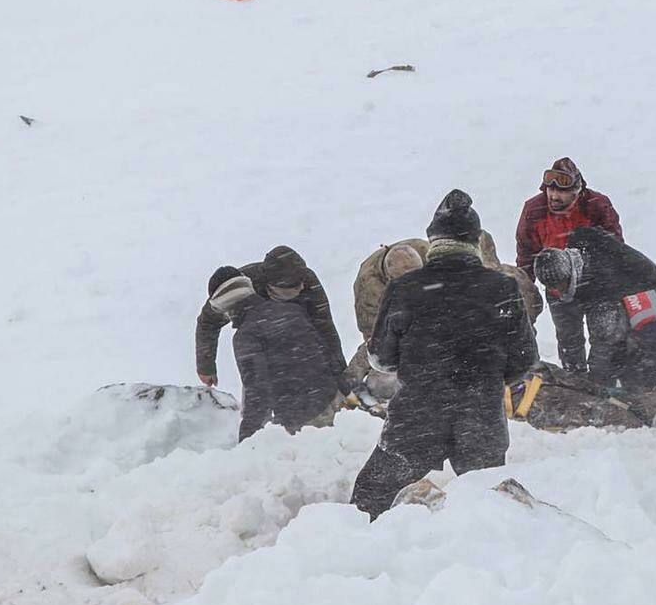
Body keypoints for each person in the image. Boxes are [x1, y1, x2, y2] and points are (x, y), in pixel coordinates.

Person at [350, 190, 538, 519]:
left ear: (433, 241)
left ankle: (360, 549)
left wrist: (421, 365)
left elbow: (380, 358)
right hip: (482, 417)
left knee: (369, 500)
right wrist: (486, 377)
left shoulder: (404, 288)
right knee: (491, 508)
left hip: (418, 416)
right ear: (474, 243)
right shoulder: (502, 287)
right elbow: (524, 358)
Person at [343, 233, 541, 401]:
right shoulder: (369, 291)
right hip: (408, 346)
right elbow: (375, 341)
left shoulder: (424, 252)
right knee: (384, 379)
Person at [204, 267, 344, 440]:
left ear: (223, 305)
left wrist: (247, 440)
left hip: (303, 422)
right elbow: (326, 353)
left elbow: (258, 393)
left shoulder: (246, 336)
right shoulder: (292, 310)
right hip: (333, 402)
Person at [515, 157, 624, 373]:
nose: (554, 196)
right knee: (568, 340)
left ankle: (601, 381)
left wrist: (613, 284)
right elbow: (526, 252)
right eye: (550, 190)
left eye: (561, 192)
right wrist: (526, 287)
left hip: (597, 287)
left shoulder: (596, 206)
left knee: (604, 339)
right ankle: (576, 380)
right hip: (558, 288)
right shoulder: (534, 210)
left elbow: (616, 249)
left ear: (577, 190)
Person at [532, 226, 656, 392]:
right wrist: (575, 378)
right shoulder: (564, 277)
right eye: (552, 287)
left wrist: (596, 388)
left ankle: (648, 393)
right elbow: (569, 336)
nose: (558, 292)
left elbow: (603, 346)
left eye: (560, 286)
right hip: (626, 305)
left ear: (570, 274)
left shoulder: (602, 279)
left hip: (653, 306)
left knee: (631, 364)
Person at [195, 245, 346, 388]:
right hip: (258, 350)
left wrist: (341, 373)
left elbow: (325, 327)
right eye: (294, 287)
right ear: (271, 286)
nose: (302, 287)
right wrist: (206, 366)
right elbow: (207, 322)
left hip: (299, 343)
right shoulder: (239, 288)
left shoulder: (307, 281)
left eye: (302, 282)